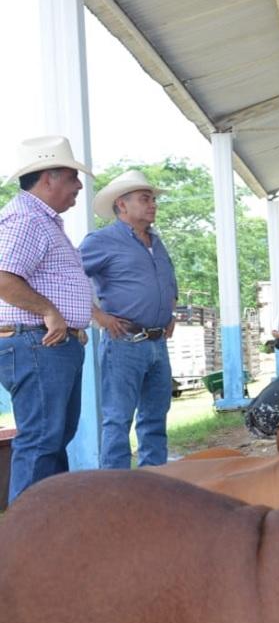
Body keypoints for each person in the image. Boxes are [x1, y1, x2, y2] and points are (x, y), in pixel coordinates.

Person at [0, 136, 94, 503]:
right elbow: (4, 277)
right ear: (49, 178)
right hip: (36, 343)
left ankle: (49, 528)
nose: (79, 186)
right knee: (42, 439)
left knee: (52, 438)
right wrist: (51, 313)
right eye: (72, 177)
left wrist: (70, 323)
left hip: (47, 343)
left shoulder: (42, 220)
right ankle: (22, 543)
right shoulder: (27, 219)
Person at [81, 170, 178, 469]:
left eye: (152, 200)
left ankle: (153, 482)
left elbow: (167, 282)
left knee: (155, 417)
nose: (153, 205)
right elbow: (68, 278)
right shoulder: (101, 241)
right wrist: (98, 316)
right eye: (144, 199)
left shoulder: (156, 242)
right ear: (121, 205)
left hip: (157, 342)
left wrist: (169, 312)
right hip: (123, 342)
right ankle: (114, 490)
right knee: (118, 418)